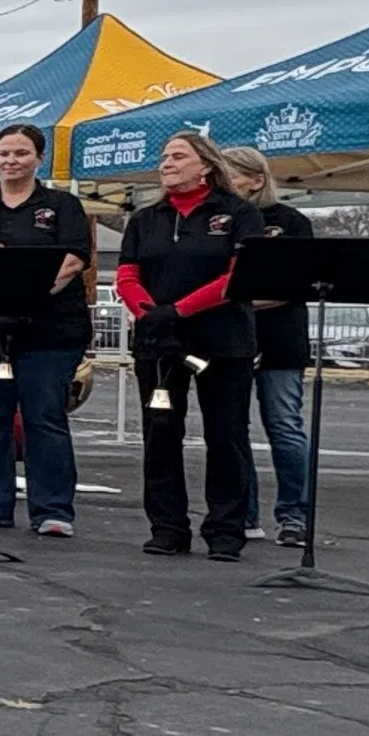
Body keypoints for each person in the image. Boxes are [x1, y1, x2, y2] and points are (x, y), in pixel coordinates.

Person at [0, 123, 96, 537]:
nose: (11, 161)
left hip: (49, 329)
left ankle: (53, 510)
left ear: (38, 159)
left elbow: (73, 259)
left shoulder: (63, 207)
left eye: (21, 153)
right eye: (4, 154)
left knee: (43, 416)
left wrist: (27, 289)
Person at [119, 131, 259, 560]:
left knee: (226, 435)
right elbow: (126, 275)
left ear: (206, 165)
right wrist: (149, 313)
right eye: (163, 157)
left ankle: (226, 529)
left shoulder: (238, 213)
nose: (167, 163)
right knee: (160, 434)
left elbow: (236, 278)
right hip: (159, 341)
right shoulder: (145, 219)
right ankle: (167, 526)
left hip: (223, 340)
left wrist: (179, 309)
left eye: (178, 156)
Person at [222, 146, 313, 547]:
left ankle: (294, 515)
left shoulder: (290, 222)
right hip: (229, 338)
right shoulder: (218, 220)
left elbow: (291, 285)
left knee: (284, 427)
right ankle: (245, 512)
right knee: (232, 428)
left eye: (230, 174)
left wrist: (232, 297)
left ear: (256, 180)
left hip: (279, 338)